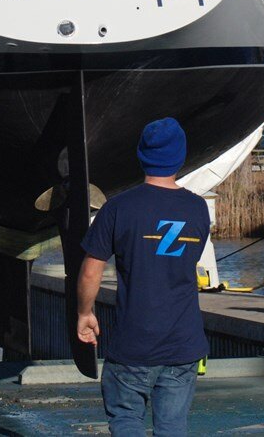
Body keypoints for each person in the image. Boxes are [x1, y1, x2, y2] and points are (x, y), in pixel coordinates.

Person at [76, 117, 210, 436]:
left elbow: (90, 270)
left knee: (125, 420)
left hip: (134, 343)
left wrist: (84, 313)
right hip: (183, 344)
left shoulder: (118, 208)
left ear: (140, 155)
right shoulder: (198, 210)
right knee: (173, 427)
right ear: (181, 156)